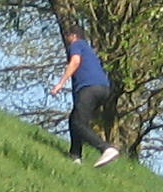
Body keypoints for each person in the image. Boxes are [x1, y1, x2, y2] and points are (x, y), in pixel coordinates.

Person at [49, 27, 121, 166]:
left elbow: (75, 61)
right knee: (75, 119)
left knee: (78, 123)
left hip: (89, 88)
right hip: (104, 89)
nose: (66, 39)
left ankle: (106, 148)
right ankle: (75, 155)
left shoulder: (77, 44)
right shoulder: (90, 51)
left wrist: (60, 83)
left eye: (67, 35)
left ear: (74, 36)